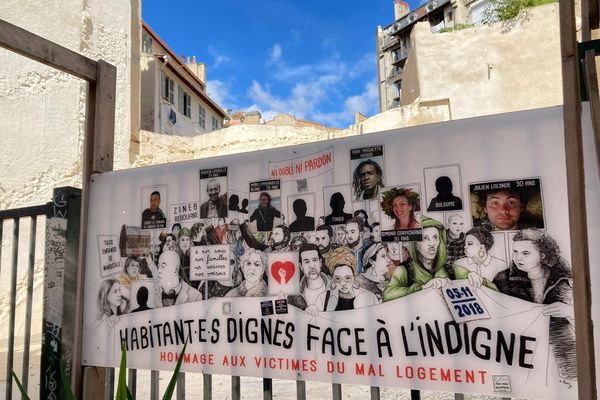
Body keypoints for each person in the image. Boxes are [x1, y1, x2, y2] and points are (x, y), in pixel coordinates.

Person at [493, 229, 576, 380]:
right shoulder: (503, 279)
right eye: (515, 252)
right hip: (523, 350)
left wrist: (570, 311)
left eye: (526, 253)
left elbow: (590, 309)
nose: (518, 258)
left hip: (561, 350)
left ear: (542, 255)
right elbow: (493, 310)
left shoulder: (564, 278)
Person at [383, 217, 450, 301]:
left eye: (435, 237)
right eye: (425, 238)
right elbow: (387, 295)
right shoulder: (404, 270)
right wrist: (421, 288)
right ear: (415, 244)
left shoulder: (444, 269)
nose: (432, 243)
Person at [289, 243, 334, 314]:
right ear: (301, 266)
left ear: (320, 262)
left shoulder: (335, 287)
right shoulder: (294, 295)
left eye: (314, 260)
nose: (312, 266)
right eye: (306, 262)